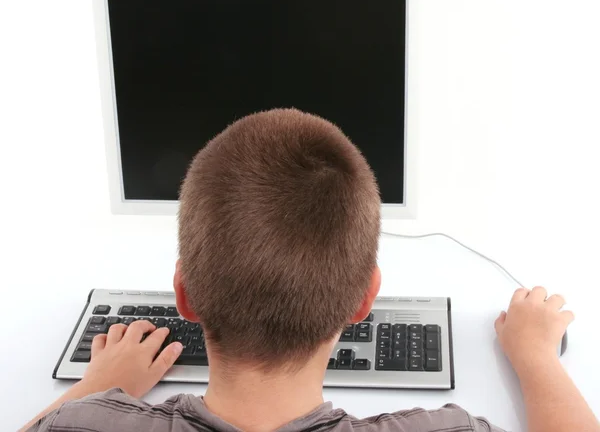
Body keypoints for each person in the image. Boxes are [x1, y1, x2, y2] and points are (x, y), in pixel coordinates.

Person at [23, 109, 598, 432]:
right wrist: (535, 356)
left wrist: (98, 383)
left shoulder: (85, 426)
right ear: (364, 299)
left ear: (184, 295)